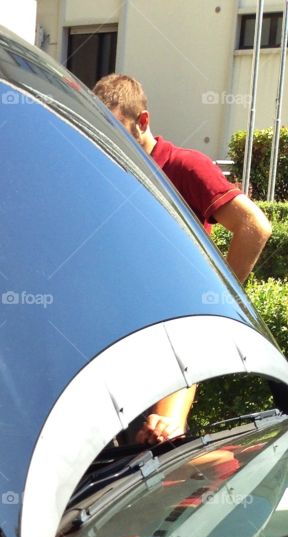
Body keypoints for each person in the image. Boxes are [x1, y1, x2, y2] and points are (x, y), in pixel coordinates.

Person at [94, 73, 272, 443]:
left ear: (143, 121)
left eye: (116, 128)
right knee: (114, 452)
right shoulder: (110, 172)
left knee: (161, 437)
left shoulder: (184, 165)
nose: (108, 140)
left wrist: (219, 301)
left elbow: (254, 226)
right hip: (117, 333)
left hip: (174, 331)